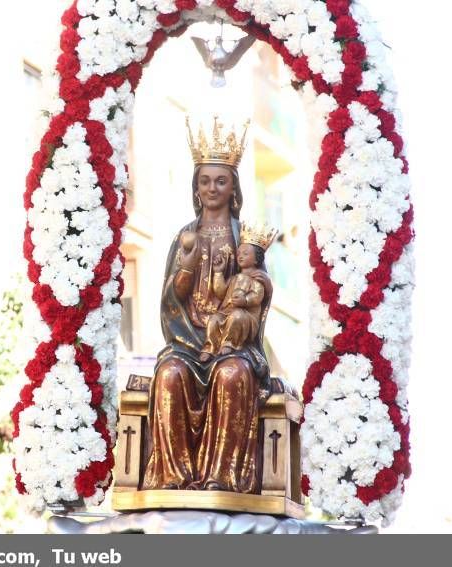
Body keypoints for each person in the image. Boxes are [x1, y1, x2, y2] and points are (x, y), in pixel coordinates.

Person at [142, 117, 272, 493]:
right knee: (169, 376)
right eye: (205, 180)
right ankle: (172, 478)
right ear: (195, 187)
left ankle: (223, 478)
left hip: (232, 343)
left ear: (234, 187)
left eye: (221, 180)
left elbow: (259, 292)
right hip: (187, 340)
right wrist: (187, 260)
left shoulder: (245, 238)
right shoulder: (186, 235)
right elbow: (172, 298)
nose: (212, 188)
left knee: (232, 377)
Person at [200, 230, 276, 362]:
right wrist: (218, 273)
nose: (240, 256)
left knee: (237, 317)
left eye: (245, 254)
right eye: (239, 253)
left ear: (256, 258)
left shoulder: (257, 279)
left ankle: (230, 343)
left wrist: (245, 300)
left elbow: (257, 296)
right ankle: (210, 348)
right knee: (213, 320)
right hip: (226, 312)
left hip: (246, 317)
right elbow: (221, 292)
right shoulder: (234, 278)